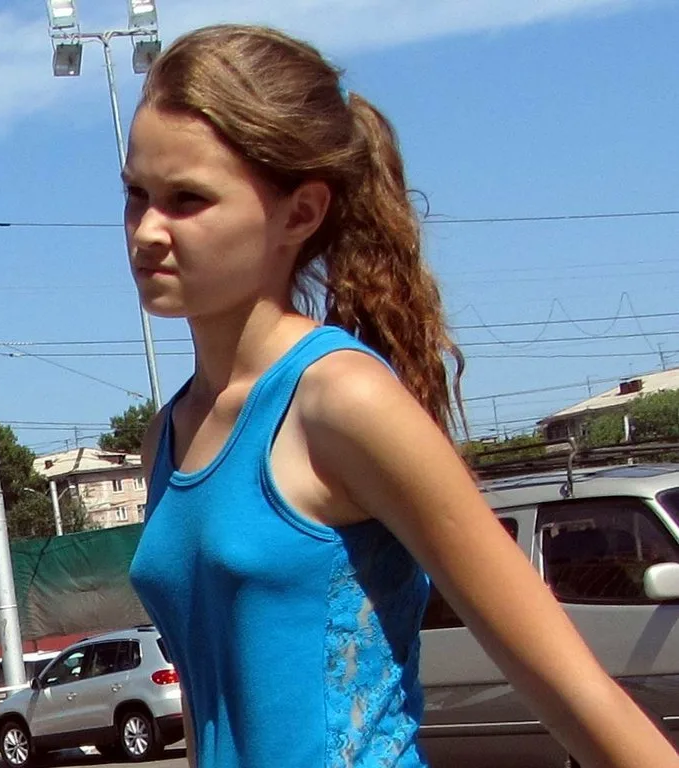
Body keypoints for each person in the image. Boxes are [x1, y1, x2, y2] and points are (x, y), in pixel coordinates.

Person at [125, 23, 679, 768]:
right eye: (136, 194)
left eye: (187, 199)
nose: (147, 231)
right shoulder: (168, 434)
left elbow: (572, 690)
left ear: (300, 212)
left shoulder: (342, 400)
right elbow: (211, 713)